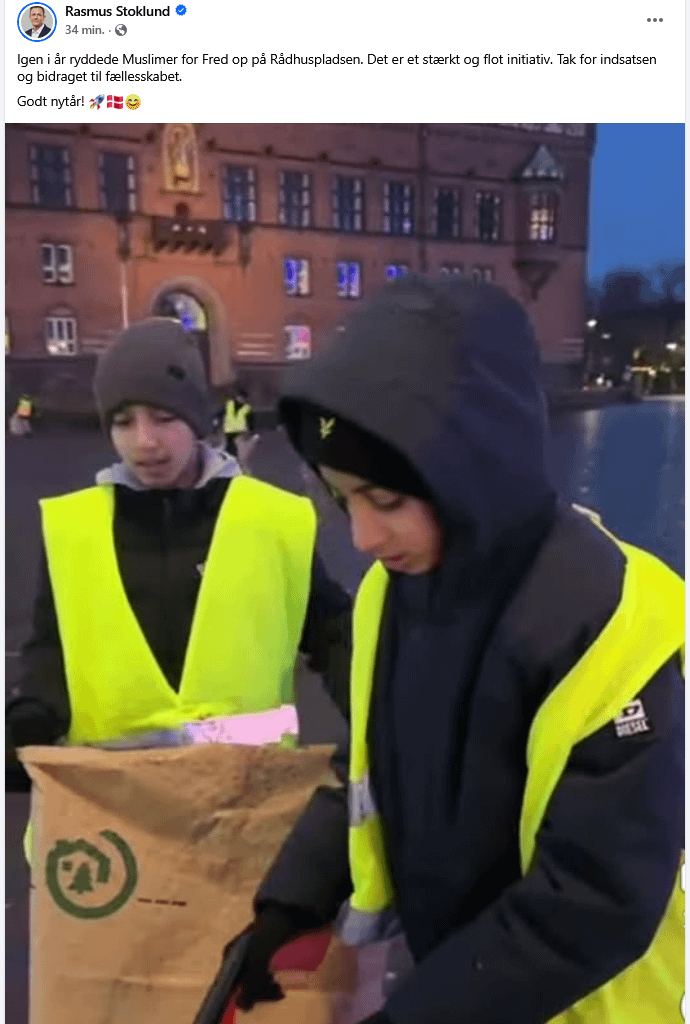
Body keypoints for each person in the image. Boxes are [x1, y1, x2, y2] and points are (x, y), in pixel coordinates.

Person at [220, 276, 684, 1023]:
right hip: (467, 985)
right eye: (343, 500)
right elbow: (371, 767)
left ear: (474, 470)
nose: (363, 539)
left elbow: (598, 899)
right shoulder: (394, 594)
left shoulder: (606, 623)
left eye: (388, 500)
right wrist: (289, 900)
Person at [5, 318, 352, 812]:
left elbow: (334, 636)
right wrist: (29, 720)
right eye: (124, 422)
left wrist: (380, 727)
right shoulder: (74, 527)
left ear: (196, 419)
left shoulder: (274, 520)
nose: (145, 441)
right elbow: (51, 649)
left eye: (164, 418)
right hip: (120, 809)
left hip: (245, 805)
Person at [224, 387, 254, 457]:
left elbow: (250, 419)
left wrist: (250, 429)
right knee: (229, 447)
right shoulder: (230, 404)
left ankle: (236, 459)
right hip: (229, 429)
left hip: (239, 430)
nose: (241, 400)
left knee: (237, 448)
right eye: (240, 397)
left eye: (243, 399)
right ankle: (229, 459)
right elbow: (223, 412)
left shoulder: (247, 407)